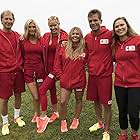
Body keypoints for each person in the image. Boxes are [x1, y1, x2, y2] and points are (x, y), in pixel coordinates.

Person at [85, 9, 113, 140]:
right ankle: (100, 122)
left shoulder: (109, 34)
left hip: (105, 76)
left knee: (106, 104)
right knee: (96, 101)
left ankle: (106, 131)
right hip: (92, 75)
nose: (93, 23)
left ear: (101, 21)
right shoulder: (88, 37)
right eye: (90, 21)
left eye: (95, 20)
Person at [38, 16, 68, 133]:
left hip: (56, 70)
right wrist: (22, 37)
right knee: (52, 90)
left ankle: (43, 116)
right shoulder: (46, 36)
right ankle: (55, 112)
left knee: (42, 90)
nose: (53, 27)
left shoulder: (65, 37)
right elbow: (36, 40)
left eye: (55, 25)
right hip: (47, 68)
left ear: (59, 24)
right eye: (51, 25)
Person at [54, 27, 86, 132]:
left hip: (80, 80)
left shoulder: (85, 48)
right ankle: (63, 121)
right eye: (73, 33)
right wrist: (61, 76)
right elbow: (57, 64)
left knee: (79, 100)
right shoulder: (64, 47)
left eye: (77, 34)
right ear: (70, 35)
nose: (75, 35)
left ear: (80, 35)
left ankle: (76, 119)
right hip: (66, 80)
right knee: (63, 102)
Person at [112, 17, 140, 140]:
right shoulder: (115, 45)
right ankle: (123, 134)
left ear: (127, 26)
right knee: (122, 112)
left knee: (133, 114)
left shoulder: (137, 40)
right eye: (117, 26)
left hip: (135, 84)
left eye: (121, 25)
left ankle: (134, 134)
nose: (120, 28)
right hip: (119, 84)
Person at [0, 10, 25, 136]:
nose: (9, 21)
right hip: (4, 72)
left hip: (18, 71)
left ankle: (17, 117)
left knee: (18, 94)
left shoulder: (17, 35)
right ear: (2, 20)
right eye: (6, 19)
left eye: (11, 19)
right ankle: (5, 123)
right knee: (4, 99)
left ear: (13, 20)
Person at [22, 19, 46, 130]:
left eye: (33, 27)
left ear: (36, 28)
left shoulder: (41, 40)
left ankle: (40, 114)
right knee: (35, 96)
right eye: (29, 27)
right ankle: (37, 113)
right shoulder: (23, 41)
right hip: (28, 72)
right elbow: (20, 55)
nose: (32, 29)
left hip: (40, 71)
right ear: (26, 29)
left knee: (40, 94)